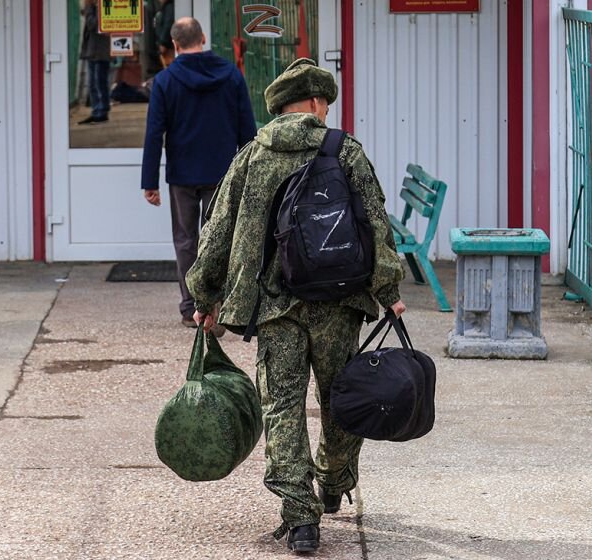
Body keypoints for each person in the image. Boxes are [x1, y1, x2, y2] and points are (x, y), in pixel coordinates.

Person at [186, 58, 406, 553]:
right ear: (311, 102)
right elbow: (376, 223)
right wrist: (388, 291)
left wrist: (205, 294)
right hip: (340, 299)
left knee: (282, 406)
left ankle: (300, 517)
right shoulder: (344, 150)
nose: (325, 110)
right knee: (343, 398)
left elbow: (217, 232)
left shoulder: (252, 156)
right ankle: (333, 482)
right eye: (323, 101)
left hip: (276, 307)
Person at [141, 17, 257, 329]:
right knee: (220, 239)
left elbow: (154, 134)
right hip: (222, 173)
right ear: (203, 38)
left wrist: (149, 182)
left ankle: (190, 306)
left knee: (185, 240)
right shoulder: (230, 75)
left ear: (175, 45)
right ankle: (215, 304)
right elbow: (247, 127)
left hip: (182, 174)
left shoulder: (165, 81)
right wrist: (249, 172)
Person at [79, 0, 111, 125]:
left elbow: (93, 24)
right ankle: (96, 110)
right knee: (93, 83)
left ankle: (101, 111)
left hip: (100, 51)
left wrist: (88, 10)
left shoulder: (101, 8)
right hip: (92, 51)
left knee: (99, 83)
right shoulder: (92, 8)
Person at [153, 0, 175, 67]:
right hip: (165, 44)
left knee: (169, 66)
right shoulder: (164, 7)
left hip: (168, 45)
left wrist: (163, 43)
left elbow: (168, 25)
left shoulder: (169, 7)